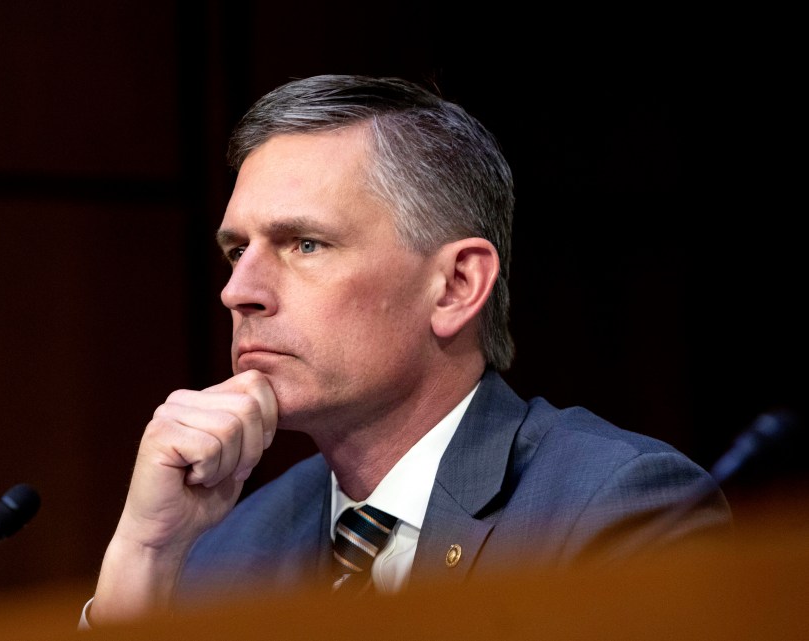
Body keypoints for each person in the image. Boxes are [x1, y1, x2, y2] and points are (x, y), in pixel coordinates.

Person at [82, 74, 732, 627]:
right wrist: (146, 553)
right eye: (235, 250)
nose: (237, 290)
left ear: (454, 286)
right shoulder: (223, 547)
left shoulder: (615, 509)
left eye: (304, 243)